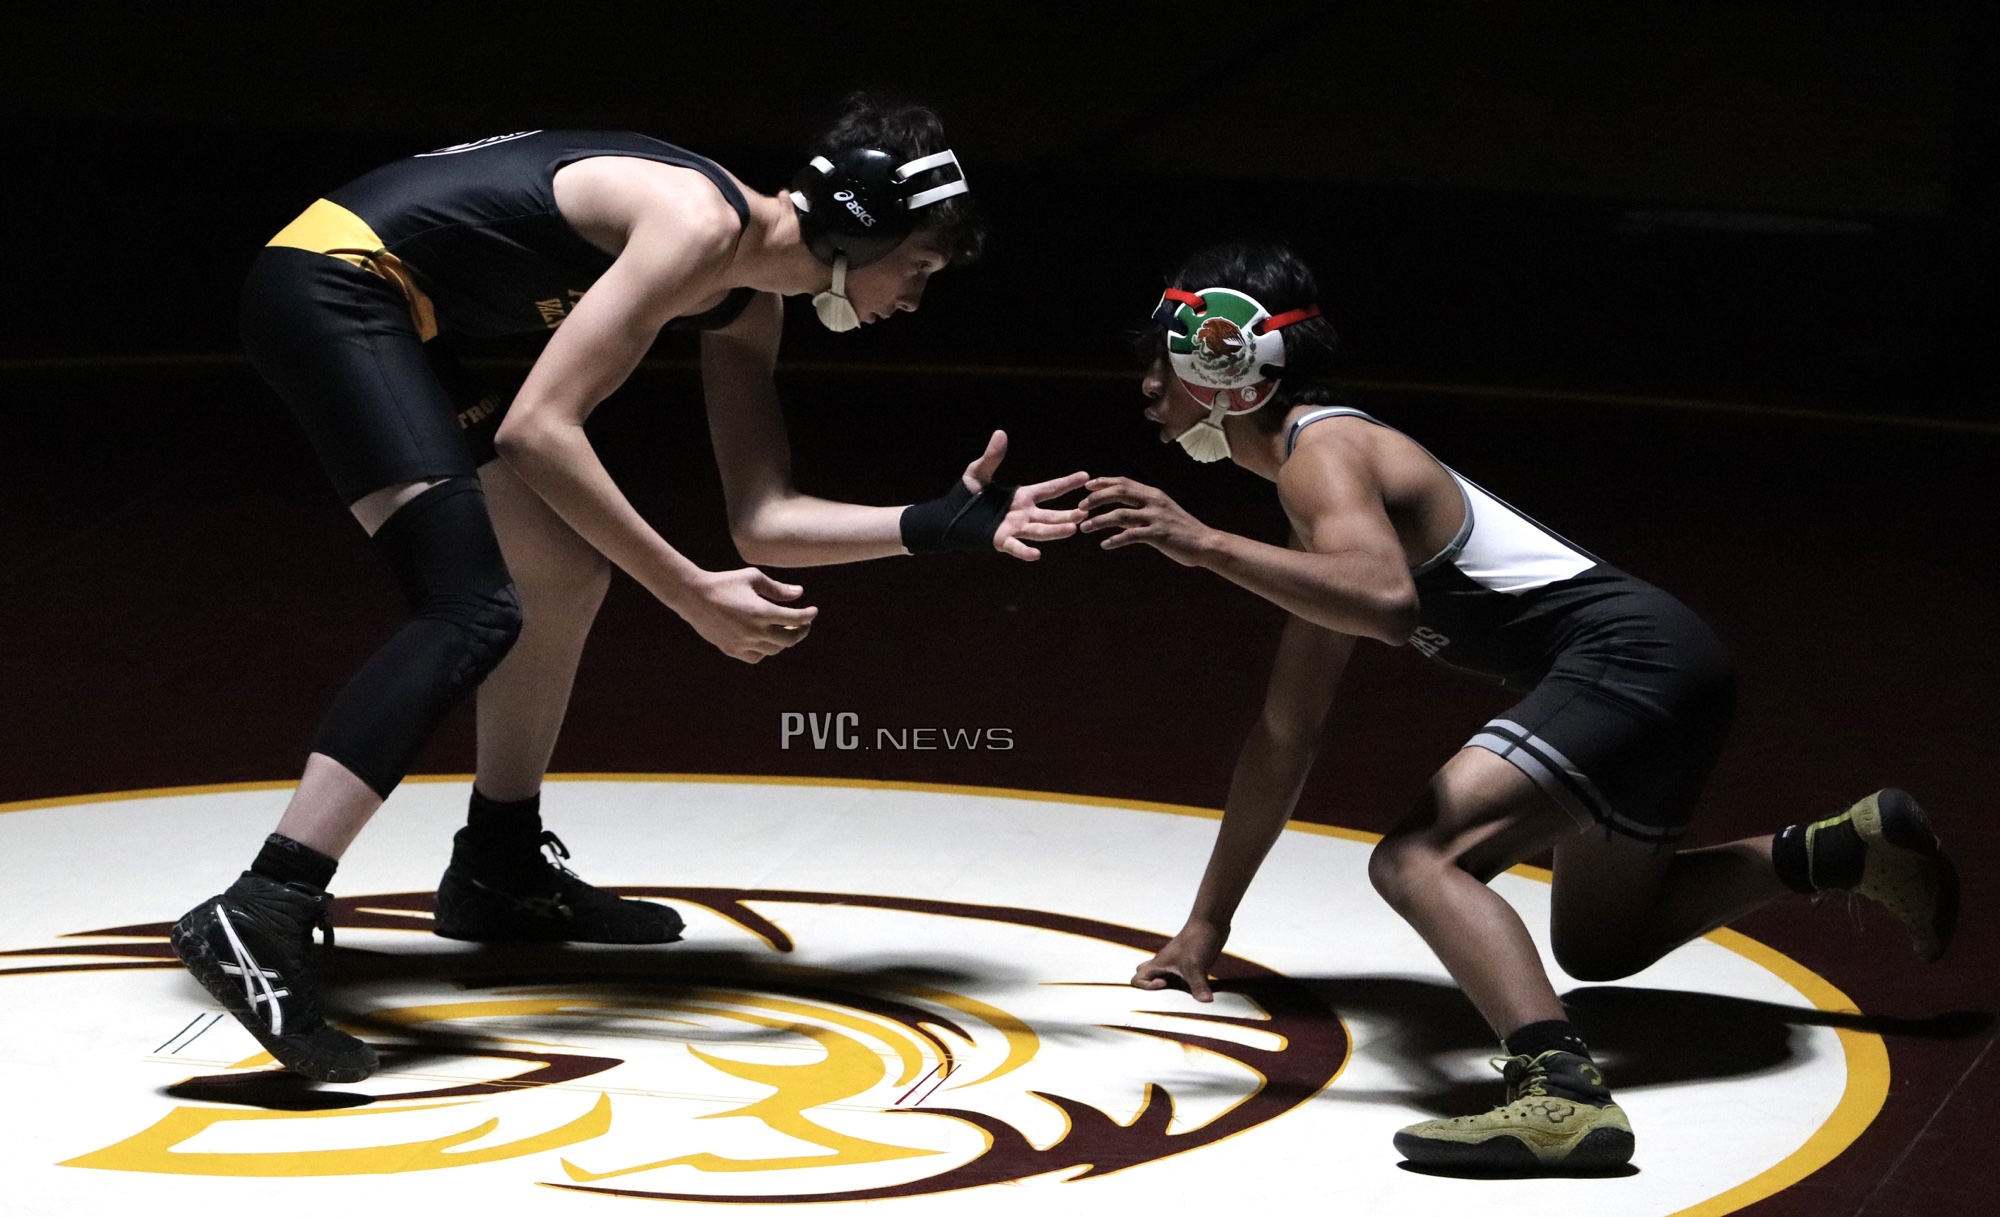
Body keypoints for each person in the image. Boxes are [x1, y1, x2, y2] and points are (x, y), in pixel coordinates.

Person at [170, 97, 1088, 1083]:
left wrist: (932, 524)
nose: (914, 298)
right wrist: (688, 591)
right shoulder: (697, 225)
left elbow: (764, 517)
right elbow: (538, 430)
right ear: (861, 228)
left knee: (560, 574)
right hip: (334, 286)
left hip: (395, 311)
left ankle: (499, 866)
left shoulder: (748, 298)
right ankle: (263, 903)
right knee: (470, 605)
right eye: (921, 267)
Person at [1085, 240, 1958, 1170]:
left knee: (1418, 858)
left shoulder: (1323, 453)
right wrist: (1209, 924)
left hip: (1632, 660)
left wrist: (1203, 543)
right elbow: (1284, 734)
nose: (1147, 383)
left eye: (1163, 359)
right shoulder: (1320, 513)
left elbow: (1387, 602)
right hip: (1663, 662)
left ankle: (1563, 1097)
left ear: (1226, 366)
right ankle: (1840, 850)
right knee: (1604, 941)